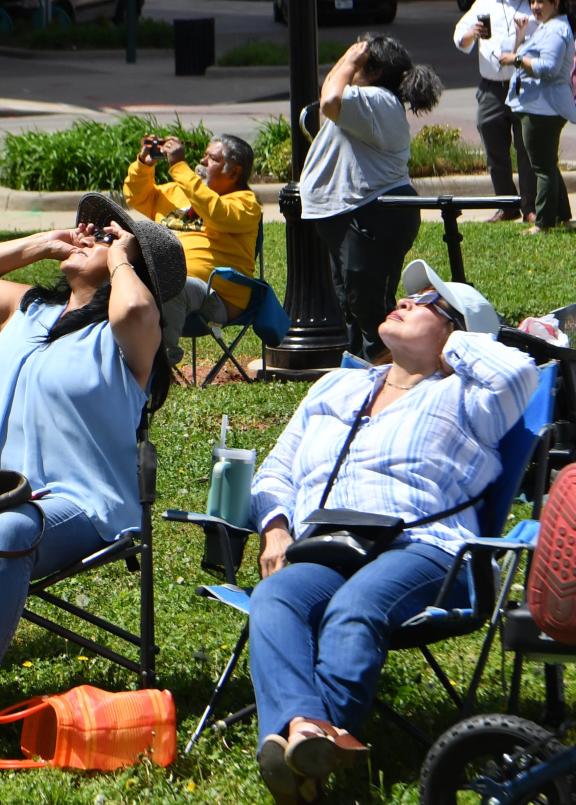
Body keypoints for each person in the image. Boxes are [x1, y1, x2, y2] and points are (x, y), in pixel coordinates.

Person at [0, 194, 185, 782]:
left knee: (7, 527)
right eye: (89, 230)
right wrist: (38, 246)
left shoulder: (126, 339)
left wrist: (123, 258)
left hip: (76, 503)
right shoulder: (25, 311)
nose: (88, 235)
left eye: (105, 234)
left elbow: (139, 315)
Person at [247, 259, 538, 804]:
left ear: (457, 333)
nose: (406, 302)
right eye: (408, 297)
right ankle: (311, 734)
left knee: (355, 607)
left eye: (427, 303)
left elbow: (519, 371)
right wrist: (276, 529)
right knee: (275, 596)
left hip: (428, 550)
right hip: (331, 542)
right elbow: (276, 470)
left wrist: (452, 343)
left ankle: (308, 749)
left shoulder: (470, 398)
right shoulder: (339, 384)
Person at [300, 35, 442, 362]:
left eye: (361, 59)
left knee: (371, 311)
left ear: (373, 70)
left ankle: (393, 378)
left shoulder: (377, 99)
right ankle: (360, 377)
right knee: (353, 306)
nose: (350, 61)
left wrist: (349, 59)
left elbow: (329, 101)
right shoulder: (373, 101)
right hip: (355, 214)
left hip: (372, 213)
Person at [122, 133, 261, 365]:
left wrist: (178, 166)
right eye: (204, 155)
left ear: (234, 172)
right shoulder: (180, 191)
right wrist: (144, 165)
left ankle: (158, 363)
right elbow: (138, 196)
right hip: (164, 280)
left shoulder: (245, 204)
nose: (203, 162)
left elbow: (215, 212)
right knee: (116, 278)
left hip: (216, 296)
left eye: (213, 159)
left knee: (175, 285)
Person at [454, 0, 538, 223]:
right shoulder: (484, 3)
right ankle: (506, 205)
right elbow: (460, 37)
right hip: (492, 86)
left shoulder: (533, 4)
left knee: (526, 147)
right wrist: (472, 33)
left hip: (523, 85)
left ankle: (530, 206)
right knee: (494, 146)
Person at [500, 0, 576, 233]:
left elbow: (549, 68)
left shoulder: (555, 29)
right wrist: (521, 35)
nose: (535, 6)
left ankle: (543, 223)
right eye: (532, 1)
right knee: (547, 164)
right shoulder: (547, 25)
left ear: (556, 3)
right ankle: (563, 216)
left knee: (541, 167)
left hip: (543, 109)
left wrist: (516, 59)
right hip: (539, 106)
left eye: (541, 1)